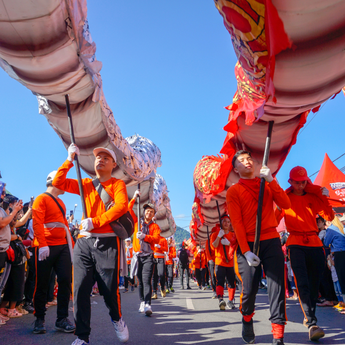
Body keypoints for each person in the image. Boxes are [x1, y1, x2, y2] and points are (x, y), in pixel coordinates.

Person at [52, 144, 129, 344]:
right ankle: (82, 336)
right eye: (98, 157)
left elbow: (121, 206)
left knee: (109, 290)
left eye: (106, 157)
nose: (100, 159)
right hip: (84, 242)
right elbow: (57, 182)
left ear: (113, 164)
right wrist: (69, 160)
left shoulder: (117, 184)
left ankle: (117, 318)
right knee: (80, 290)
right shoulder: (85, 183)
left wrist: (96, 221)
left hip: (107, 242)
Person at [226, 150, 291, 345]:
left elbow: (285, 203)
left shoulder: (267, 184)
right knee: (249, 290)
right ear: (235, 169)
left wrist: (271, 180)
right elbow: (236, 223)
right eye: (241, 161)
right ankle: (247, 318)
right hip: (248, 245)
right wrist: (245, 250)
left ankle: (278, 334)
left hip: (271, 239)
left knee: (277, 287)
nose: (247, 162)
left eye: (249, 159)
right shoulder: (233, 191)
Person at [277, 166, 334, 341]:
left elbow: (329, 216)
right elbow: (273, 219)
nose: (300, 185)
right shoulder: (285, 198)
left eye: (303, 182)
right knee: (302, 282)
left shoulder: (312, 196)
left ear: (306, 181)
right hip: (295, 244)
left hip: (315, 243)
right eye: (296, 182)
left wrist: (323, 196)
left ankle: (309, 316)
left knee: (314, 285)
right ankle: (312, 323)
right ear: (290, 182)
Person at [31, 171, 74, 334]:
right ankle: (39, 318)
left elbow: (65, 225)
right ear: (56, 181)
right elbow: (37, 223)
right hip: (45, 247)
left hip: (62, 246)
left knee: (65, 281)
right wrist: (42, 244)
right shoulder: (41, 199)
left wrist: (72, 246)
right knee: (41, 283)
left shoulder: (62, 203)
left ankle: (62, 319)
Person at [132, 202, 160, 316]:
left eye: (151, 211)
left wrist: (145, 237)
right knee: (140, 280)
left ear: (153, 214)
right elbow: (128, 209)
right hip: (138, 255)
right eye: (147, 210)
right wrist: (134, 197)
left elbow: (156, 239)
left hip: (148, 255)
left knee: (146, 279)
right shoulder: (137, 222)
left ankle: (148, 304)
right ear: (144, 212)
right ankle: (142, 302)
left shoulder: (155, 226)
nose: (149, 213)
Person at [211, 215, 237, 310]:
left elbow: (235, 247)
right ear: (221, 222)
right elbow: (214, 246)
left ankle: (230, 300)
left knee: (231, 282)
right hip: (220, 262)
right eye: (224, 221)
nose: (226, 223)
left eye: (228, 221)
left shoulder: (232, 235)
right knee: (220, 281)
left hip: (230, 262)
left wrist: (229, 243)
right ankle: (221, 299)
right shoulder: (215, 234)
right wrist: (219, 236)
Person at [205, 227, 217, 299]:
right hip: (212, 260)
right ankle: (214, 290)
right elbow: (207, 250)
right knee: (212, 276)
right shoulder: (208, 240)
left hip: (219, 260)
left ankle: (219, 290)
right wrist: (210, 259)